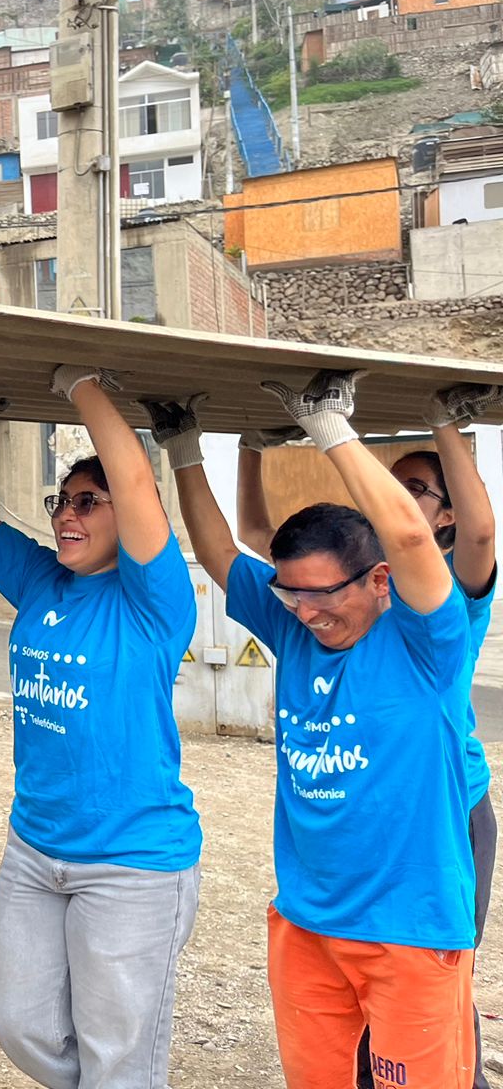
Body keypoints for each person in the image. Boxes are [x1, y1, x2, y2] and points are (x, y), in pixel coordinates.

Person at [153, 371, 479, 1089]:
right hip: (306, 926)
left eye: (323, 594)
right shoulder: (294, 624)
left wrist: (330, 428)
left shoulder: (426, 644)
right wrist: (182, 445)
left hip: (409, 933)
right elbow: (220, 555)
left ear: (380, 580)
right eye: (291, 594)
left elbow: (410, 535)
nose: (306, 612)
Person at [0, 368, 201, 1089]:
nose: (66, 515)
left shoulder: (153, 602)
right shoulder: (43, 580)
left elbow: (141, 487)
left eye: (90, 502)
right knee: (18, 1018)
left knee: (119, 1053)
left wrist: (81, 385)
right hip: (35, 849)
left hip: (133, 863)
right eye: (62, 501)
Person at [234, 385, 502, 1089]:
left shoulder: (439, 595)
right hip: (363, 832)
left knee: (432, 991)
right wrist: (250, 445)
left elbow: (473, 535)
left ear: (444, 515)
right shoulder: (340, 587)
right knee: (359, 1014)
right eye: (396, 484)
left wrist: (439, 421)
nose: (401, 497)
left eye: (419, 489)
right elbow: (259, 541)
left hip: (448, 806)